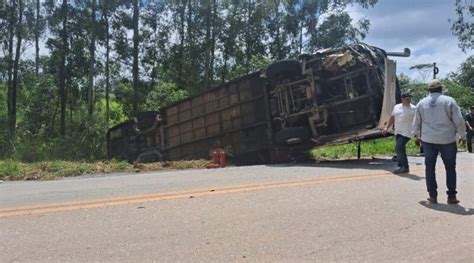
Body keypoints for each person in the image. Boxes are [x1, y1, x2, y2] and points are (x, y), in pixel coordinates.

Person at [413, 79, 466, 204]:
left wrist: (416, 136)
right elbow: (459, 121)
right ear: (441, 89)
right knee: (450, 168)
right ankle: (451, 196)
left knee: (430, 168)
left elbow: (416, 122)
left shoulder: (421, 103)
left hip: (428, 140)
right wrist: (463, 136)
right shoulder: (449, 101)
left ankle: (433, 196)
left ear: (429, 90)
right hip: (447, 139)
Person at [383, 93, 416, 174]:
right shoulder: (397, 107)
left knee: (399, 148)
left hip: (408, 132)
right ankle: (404, 167)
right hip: (398, 131)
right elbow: (392, 118)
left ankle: (403, 166)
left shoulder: (414, 109)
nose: (408, 101)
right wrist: (386, 127)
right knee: (401, 149)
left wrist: (418, 134)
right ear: (402, 99)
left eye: (409, 99)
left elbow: (418, 121)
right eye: (407, 99)